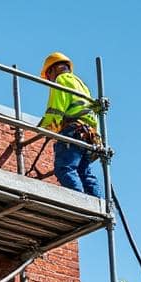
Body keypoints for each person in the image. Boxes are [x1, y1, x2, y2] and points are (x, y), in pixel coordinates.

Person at [38, 52, 104, 197]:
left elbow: (56, 108)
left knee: (65, 168)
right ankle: (98, 202)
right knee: (84, 172)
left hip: (73, 130)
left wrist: (46, 127)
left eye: (48, 76)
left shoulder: (61, 79)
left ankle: (79, 201)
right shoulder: (81, 84)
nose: (49, 80)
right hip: (88, 134)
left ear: (52, 69)